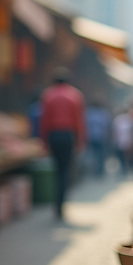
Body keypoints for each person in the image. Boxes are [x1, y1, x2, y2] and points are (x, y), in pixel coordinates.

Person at [39, 67, 85, 220]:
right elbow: (79, 121)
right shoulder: (75, 95)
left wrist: (44, 141)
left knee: (57, 170)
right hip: (68, 136)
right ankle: (61, 204)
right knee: (64, 172)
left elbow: (44, 121)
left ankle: (57, 204)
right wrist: (80, 141)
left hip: (53, 135)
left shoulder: (48, 95)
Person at [85, 100, 111, 177]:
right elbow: (107, 126)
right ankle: (100, 170)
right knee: (100, 154)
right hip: (101, 137)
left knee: (94, 154)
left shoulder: (88, 113)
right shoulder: (103, 113)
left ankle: (95, 170)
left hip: (91, 137)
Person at [112, 106, 133, 175]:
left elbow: (115, 131)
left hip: (120, 141)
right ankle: (125, 168)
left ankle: (123, 168)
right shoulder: (129, 119)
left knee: (121, 157)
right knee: (126, 157)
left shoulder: (118, 119)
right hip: (128, 141)